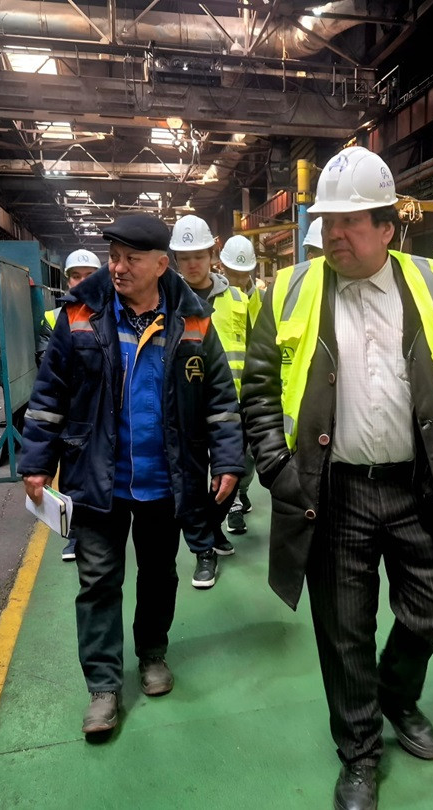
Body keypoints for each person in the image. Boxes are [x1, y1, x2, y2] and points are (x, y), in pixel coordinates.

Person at [242, 146, 433, 810]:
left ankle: (396, 695)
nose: (334, 235)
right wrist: (278, 469)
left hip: (416, 485)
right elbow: (257, 391)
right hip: (333, 492)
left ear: (386, 227)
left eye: (349, 222)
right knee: (344, 631)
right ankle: (358, 754)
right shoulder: (289, 290)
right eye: (328, 221)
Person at [18, 214, 244, 736]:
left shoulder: (193, 320)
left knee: (159, 574)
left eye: (131, 259)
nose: (117, 268)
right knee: (98, 581)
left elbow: (219, 399)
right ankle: (103, 686)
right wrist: (36, 461)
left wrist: (229, 459)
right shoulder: (81, 314)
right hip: (97, 477)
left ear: (161, 264)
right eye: (114, 257)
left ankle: (152, 654)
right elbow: (50, 393)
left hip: (166, 479)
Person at [170, 215, 249, 586]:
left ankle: (213, 527)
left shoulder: (239, 299)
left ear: (212, 255)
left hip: (232, 406)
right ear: (174, 259)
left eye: (198, 256)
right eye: (184, 258)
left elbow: (260, 349)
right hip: (184, 406)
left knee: (231, 472)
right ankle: (204, 550)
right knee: (189, 480)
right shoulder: (168, 302)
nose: (192, 264)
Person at [36, 248, 100, 561]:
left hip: (97, 408)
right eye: (76, 276)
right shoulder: (54, 318)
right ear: (67, 281)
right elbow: (49, 366)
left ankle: (95, 533)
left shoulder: (111, 314)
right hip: (71, 410)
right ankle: (74, 536)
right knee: (73, 475)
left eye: (89, 276)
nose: (82, 281)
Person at [218, 234, 260, 535]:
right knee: (228, 455)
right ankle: (231, 505)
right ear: (222, 268)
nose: (239, 279)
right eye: (234, 273)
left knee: (251, 455)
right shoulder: (215, 301)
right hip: (223, 394)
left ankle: (241, 491)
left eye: (244, 273)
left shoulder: (260, 300)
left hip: (254, 393)